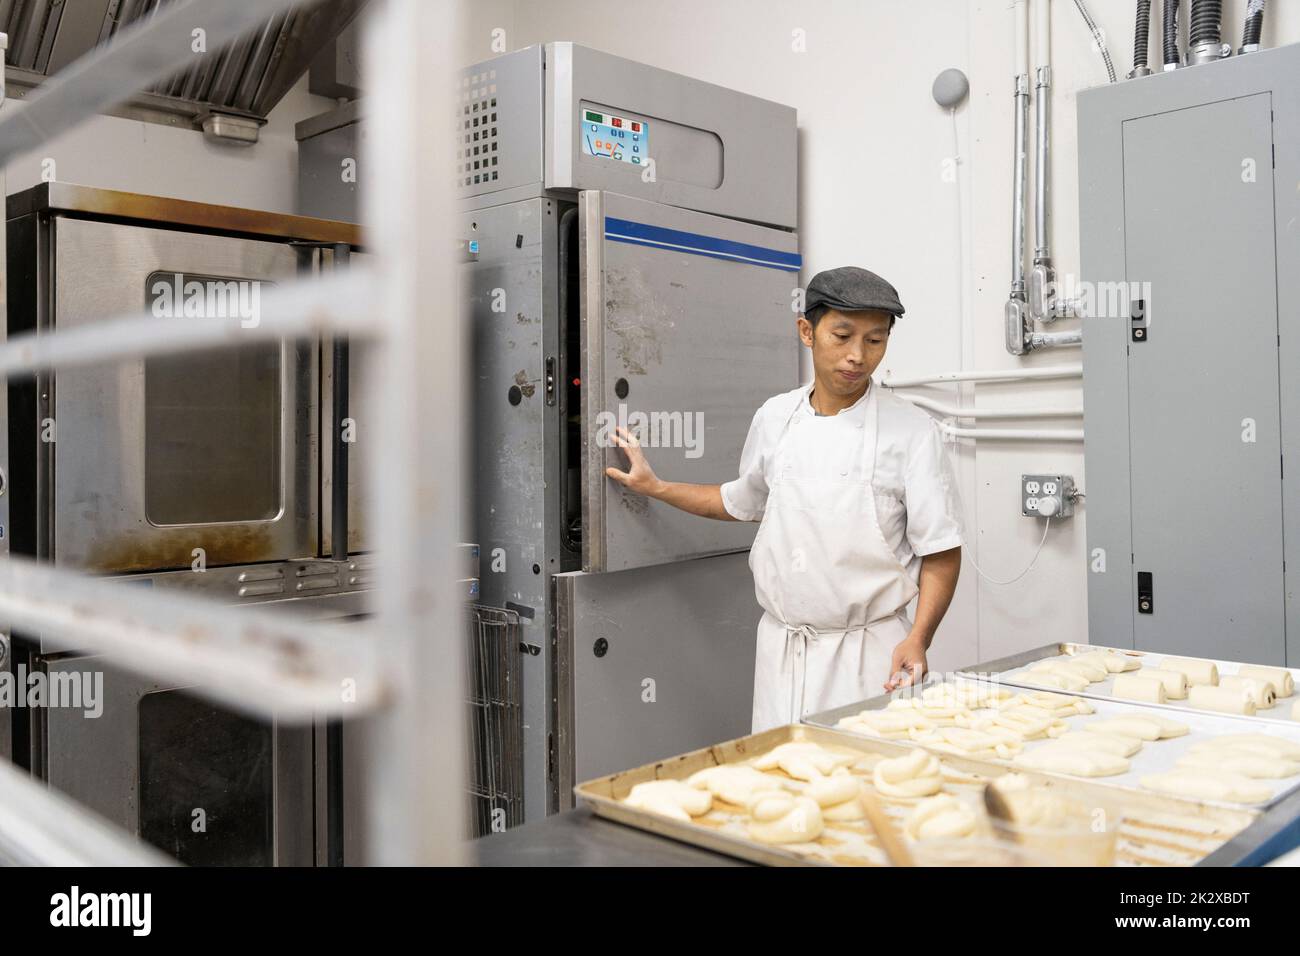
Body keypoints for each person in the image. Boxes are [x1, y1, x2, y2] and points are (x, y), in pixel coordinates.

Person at [606, 266, 965, 731]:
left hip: (870, 654)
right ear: (806, 332)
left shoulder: (913, 432)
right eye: (842, 336)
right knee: (782, 784)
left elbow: (941, 551)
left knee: (859, 790)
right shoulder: (776, 417)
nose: (857, 356)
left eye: (875, 341)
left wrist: (919, 638)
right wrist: (657, 487)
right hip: (781, 651)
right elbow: (739, 502)